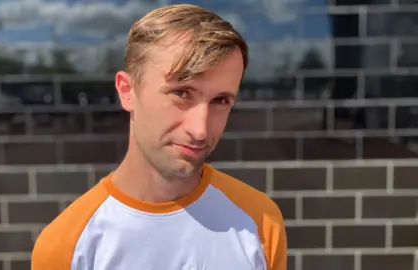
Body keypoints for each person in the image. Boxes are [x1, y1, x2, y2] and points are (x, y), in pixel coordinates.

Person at [31, 4, 288, 270]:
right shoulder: (67, 246)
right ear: (127, 91)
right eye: (181, 93)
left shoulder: (259, 222)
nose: (200, 130)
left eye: (220, 100)